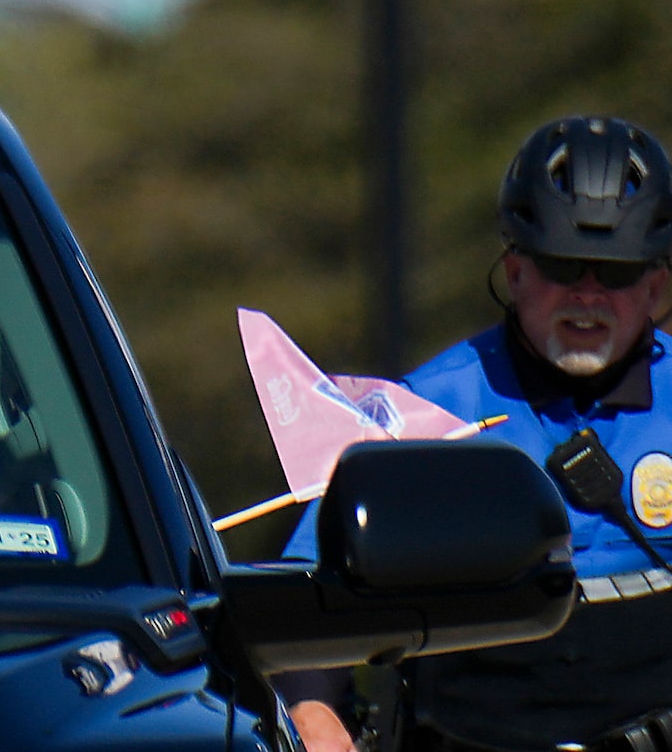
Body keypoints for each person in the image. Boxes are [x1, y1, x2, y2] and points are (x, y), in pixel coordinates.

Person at [282, 117, 672, 752]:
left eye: (616, 273)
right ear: (515, 271)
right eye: (563, 265)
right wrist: (316, 721)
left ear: (655, 286)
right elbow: (304, 622)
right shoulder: (418, 416)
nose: (588, 294)